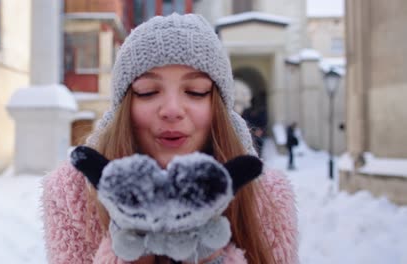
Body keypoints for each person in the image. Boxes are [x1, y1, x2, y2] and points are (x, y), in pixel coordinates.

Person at [42, 13, 297, 264]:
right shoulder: (72, 193)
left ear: (218, 107)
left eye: (196, 92)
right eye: (148, 92)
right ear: (124, 108)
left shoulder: (266, 196)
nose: (172, 110)